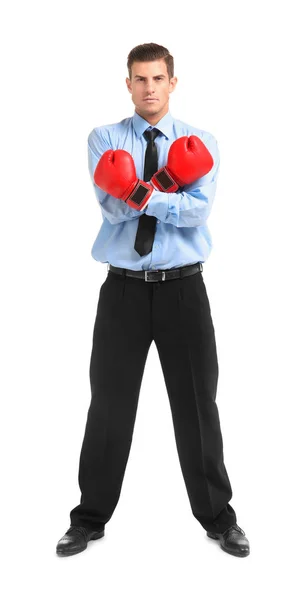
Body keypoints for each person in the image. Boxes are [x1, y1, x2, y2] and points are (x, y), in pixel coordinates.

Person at [56, 42, 250, 559]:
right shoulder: (103, 139)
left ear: (172, 82)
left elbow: (196, 214)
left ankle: (218, 517)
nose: (149, 88)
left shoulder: (199, 141)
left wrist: (140, 191)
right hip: (122, 290)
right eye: (139, 79)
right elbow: (112, 209)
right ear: (128, 84)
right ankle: (88, 519)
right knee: (109, 408)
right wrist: (166, 191)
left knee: (197, 407)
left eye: (158, 79)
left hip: (184, 289)